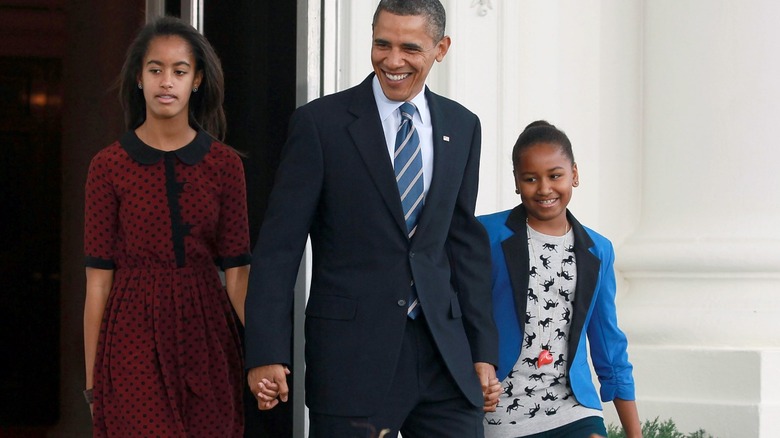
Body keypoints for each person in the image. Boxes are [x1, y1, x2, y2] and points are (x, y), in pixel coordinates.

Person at [243, 0, 500, 436]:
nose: (393, 60)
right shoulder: (319, 125)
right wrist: (266, 350)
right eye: (382, 44)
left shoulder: (463, 125)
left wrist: (483, 351)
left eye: (410, 48)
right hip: (351, 359)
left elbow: (462, 244)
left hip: (445, 357)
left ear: (441, 48)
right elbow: (279, 248)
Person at [82, 16, 250, 437]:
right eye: (155, 70)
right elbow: (97, 285)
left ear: (196, 81)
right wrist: (92, 386)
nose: (166, 82)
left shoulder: (224, 165)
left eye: (179, 71)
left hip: (206, 332)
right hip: (131, 332)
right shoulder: (108, 166)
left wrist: (268, 354)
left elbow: (238, 277)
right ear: (139, 78)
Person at [478, 121, 641, 438]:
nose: (544, 188)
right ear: (516, 182)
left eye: (555, 175)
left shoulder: (598, 250)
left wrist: (635, 434)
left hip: (574, 411)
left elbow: (609, 344)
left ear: (575, 175)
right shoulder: (486, 236)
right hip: (501, 418)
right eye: (530, 178)